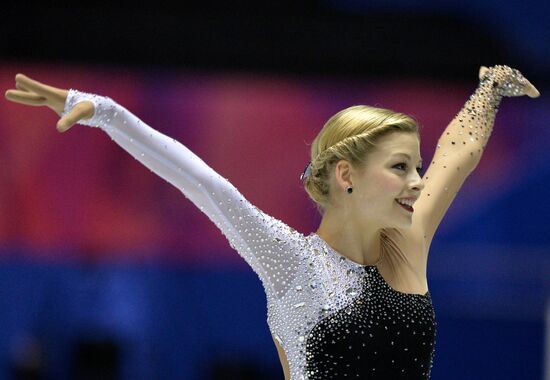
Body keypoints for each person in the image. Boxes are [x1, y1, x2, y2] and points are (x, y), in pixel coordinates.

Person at [5, 65, 539, 380]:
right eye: (400, 167)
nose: (419, 182)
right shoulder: (289, 260)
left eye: (416, 167)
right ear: (347, 174)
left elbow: (458, 154)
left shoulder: (407, 244)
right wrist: (100, 109)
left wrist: (488, 89)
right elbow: (204, 184)